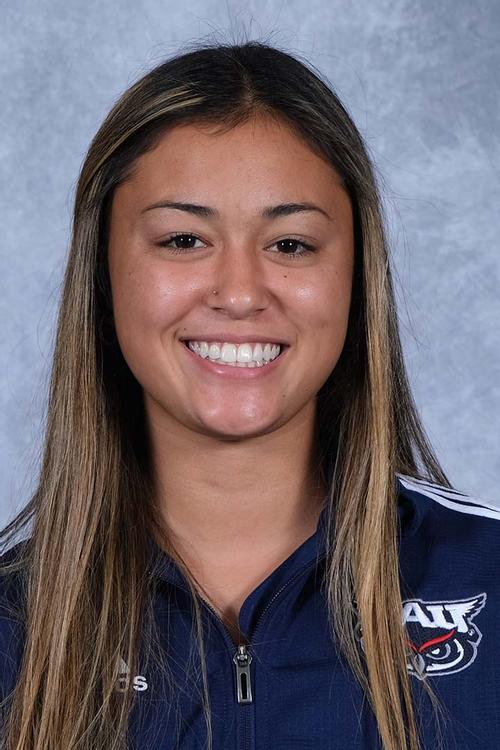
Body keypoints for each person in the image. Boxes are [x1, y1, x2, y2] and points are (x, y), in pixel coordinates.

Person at [0, 38, 498, 750]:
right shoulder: (12, 628)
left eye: (291, 244)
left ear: (357, 280)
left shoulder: (487, 579)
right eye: (183, 240)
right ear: (103, 277)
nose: (239, 293)